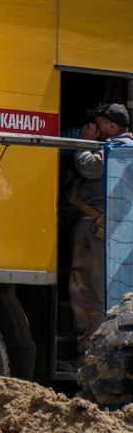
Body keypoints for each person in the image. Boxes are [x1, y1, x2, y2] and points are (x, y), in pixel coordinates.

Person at [68, 102, 133, 349]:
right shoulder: (115, 144)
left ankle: (89, 357)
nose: (93, 126)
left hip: (94, 227)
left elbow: (90, 167)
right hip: (97, 226)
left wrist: (84, 142)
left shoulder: (121, 146)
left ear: (112, 126)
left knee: (87, 293)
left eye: (98, 123)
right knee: (88, 291)